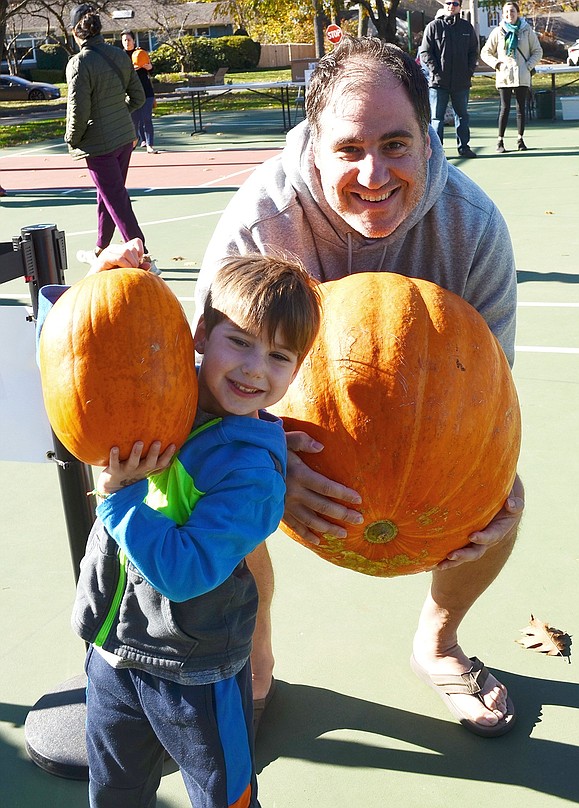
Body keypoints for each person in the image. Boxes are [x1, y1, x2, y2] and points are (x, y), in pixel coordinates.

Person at [196, 35, 525, 738]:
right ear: (314, 151)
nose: (373, 172)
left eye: (396, 144)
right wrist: (273, 457)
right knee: (225, 473)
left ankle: (438, 643)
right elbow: (205, 394)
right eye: (349, 149)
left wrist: (484, 479)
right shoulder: (260, 227)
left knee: (504, 497)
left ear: (430, 143)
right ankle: (254, 666)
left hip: (422, 434)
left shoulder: (473, 231)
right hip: (282, 425)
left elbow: (493, 401)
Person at [38, 242, 322, 807]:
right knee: (115, 788)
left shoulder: (252, 474)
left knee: (222, 793)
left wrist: (117, 502)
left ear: (296, 370)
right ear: (198, 336)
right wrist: (101, 284)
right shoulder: (165, 385)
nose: (252, 369)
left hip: (196, 669)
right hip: (113, 648)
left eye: (279, 357)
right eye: (238, 342)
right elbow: (75, 354)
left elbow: (186, 572)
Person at [65, 5, 159, 273]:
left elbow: (77, 108)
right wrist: (117, 114)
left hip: (99, 144)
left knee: (115, 197)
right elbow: (138, 97)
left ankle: (144, 256)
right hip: (123, 138)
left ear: (75, 32)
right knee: (107, 195)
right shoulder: (119, 55)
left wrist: (72, 137)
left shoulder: (79, 62)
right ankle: (100, 248)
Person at [419, 1, 479, 158]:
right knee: (436, 118)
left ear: (459, 6)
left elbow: (473, 52)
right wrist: (435, 71)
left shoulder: (467, 28)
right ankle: (437, 152)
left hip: (461, 82)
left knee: (462, 116)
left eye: (455, 3)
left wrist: (468, 71)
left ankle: (464, 147)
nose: (451, 6)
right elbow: (425, 52)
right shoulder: (433, 26)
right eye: (448, 3)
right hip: (438, 83)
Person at [481, 2, 543, 153]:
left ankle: (520, 139)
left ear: (518, 13)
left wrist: (528, 66)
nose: (510, 14)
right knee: (505, 108)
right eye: (507, 12)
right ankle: (500, 141)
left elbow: (537, 51)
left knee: (521, 108)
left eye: (513, 11)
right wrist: (496, 64)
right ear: (503, 14)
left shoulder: (526, 30)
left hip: (522, 75)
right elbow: (485, 52)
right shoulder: (498, 31)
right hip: (505, 76)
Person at [121, 30, 158, 154]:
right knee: (134, 121)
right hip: (130, 93)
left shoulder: (140, 53)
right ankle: (133, 143)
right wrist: (131, 69)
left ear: (133, 41)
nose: (127, 42)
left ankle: (150, 144)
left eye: (129, 40)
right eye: (124, 40)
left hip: (146, 90)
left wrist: (150, 68)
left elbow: (152, 71)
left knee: (147, 118)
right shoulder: (120, 57)